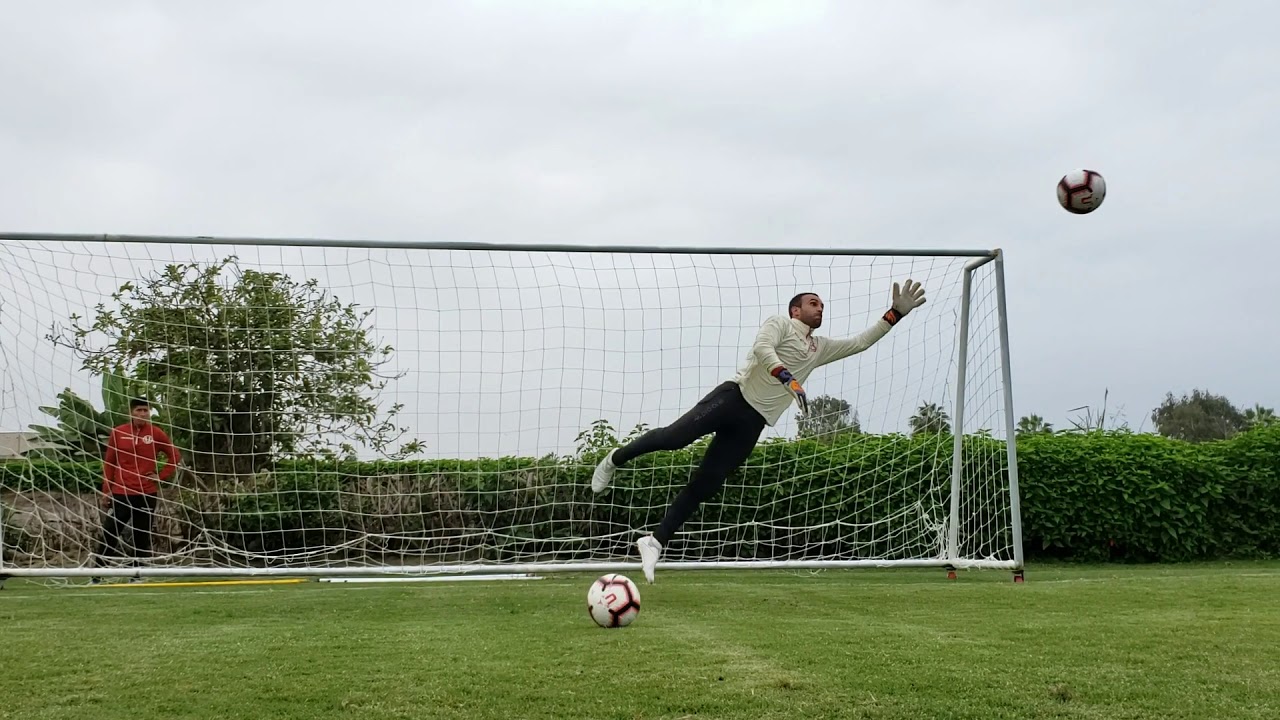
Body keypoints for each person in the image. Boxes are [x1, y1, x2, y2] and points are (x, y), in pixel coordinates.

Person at [590, 279, 927, 583]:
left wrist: (895, 314)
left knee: (706, 484)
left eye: (822, 305)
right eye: (813, 303)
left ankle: (654, 541)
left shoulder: (818, 347)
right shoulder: (779, 323)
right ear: (796, 309)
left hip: (754, 422)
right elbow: (762, 349)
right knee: (674, 439)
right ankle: (614, 460)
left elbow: (860, 343)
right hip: (733, 398)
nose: (820, 308)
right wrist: (787, 377)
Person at [92, 397, 181, 581]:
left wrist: (161, 476)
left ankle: (137, 574)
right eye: (138, 410)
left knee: (141, 535)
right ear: (131, 413)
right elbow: (109, 463)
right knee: (110, 531)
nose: (142, 414)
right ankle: (98, 574)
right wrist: (106, 489)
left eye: (145, 410)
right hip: (121, 492)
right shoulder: (118, 433)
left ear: (149, 413)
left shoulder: (156, 433)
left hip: (146, 493)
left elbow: (174, 456)